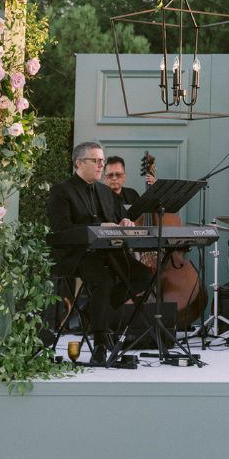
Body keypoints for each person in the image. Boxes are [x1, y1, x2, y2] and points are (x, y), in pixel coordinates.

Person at [46, 141, 153, 362]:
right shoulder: (61, 191)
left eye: (102, 161)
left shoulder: (106, 192)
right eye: (96, 161)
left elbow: (115, 222)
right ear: (79, 163)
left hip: (108, 253)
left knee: (143, 276)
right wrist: (97, 229)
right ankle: (101, 343)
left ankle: (90, 313)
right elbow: (61, 231)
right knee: (104, 280)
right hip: (77, 254)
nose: (100, 165)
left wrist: (123, 221)